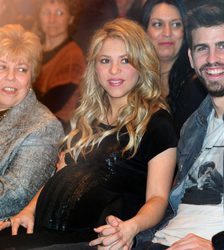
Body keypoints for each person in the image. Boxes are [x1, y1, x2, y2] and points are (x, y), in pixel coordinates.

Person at [0, 18, 177, 249]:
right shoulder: (90, 116)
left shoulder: (157, 122)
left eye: (125, 60)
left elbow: (158, 199)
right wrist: (28, 210)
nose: (114, 70)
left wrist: (132, 226)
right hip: (48, 226)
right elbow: (60, 174)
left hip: (95, 236)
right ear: (95, 67)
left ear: (141, 64)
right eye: (105, 61)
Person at [91, 2, 224, 249]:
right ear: (191, 58)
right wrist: (129, 230)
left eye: (223, 46)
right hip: (155, 241)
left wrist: (218, 246)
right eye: (201, 49)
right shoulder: (192, 127)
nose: (212, 59)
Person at [0, 24, 64, 221]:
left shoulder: (44, 127)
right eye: (2, 66)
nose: (10, 77)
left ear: (32, 76)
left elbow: (13, 196)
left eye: (21, 69)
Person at [141, 0, 207, 135]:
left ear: (185, 32)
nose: (167, 32)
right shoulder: (134, 78)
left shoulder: (196, 86)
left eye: (176, 24)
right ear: (144, 31)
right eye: (158, 24)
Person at [33, 0, 85, 130]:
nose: (52, 19)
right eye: (46, 13)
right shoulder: (32, 49)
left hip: (53, 131)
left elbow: (50, 106)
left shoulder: (73, 57)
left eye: (59, 13)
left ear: (71, 18)